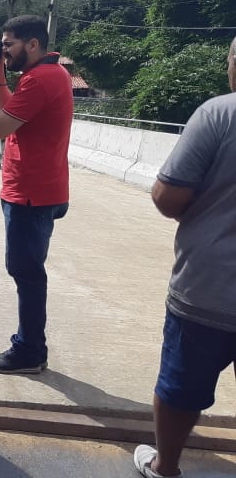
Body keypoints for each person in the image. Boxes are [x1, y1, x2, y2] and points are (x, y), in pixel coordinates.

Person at [132, 35, 236, 478]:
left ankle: (166, 466)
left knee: (182, 384)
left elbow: (168, 196)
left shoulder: (220, 113)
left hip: (210, 287)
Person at [0, 15, 73, 374]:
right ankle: (30, 347)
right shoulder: (47, 74)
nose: (4, 51)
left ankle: (29, 351)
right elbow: (12, 112)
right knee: (26, 270)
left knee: (26, 273)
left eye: (8, 45)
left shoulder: (41, 79)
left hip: (31, 193)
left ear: (33, 44)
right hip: (35, 189)